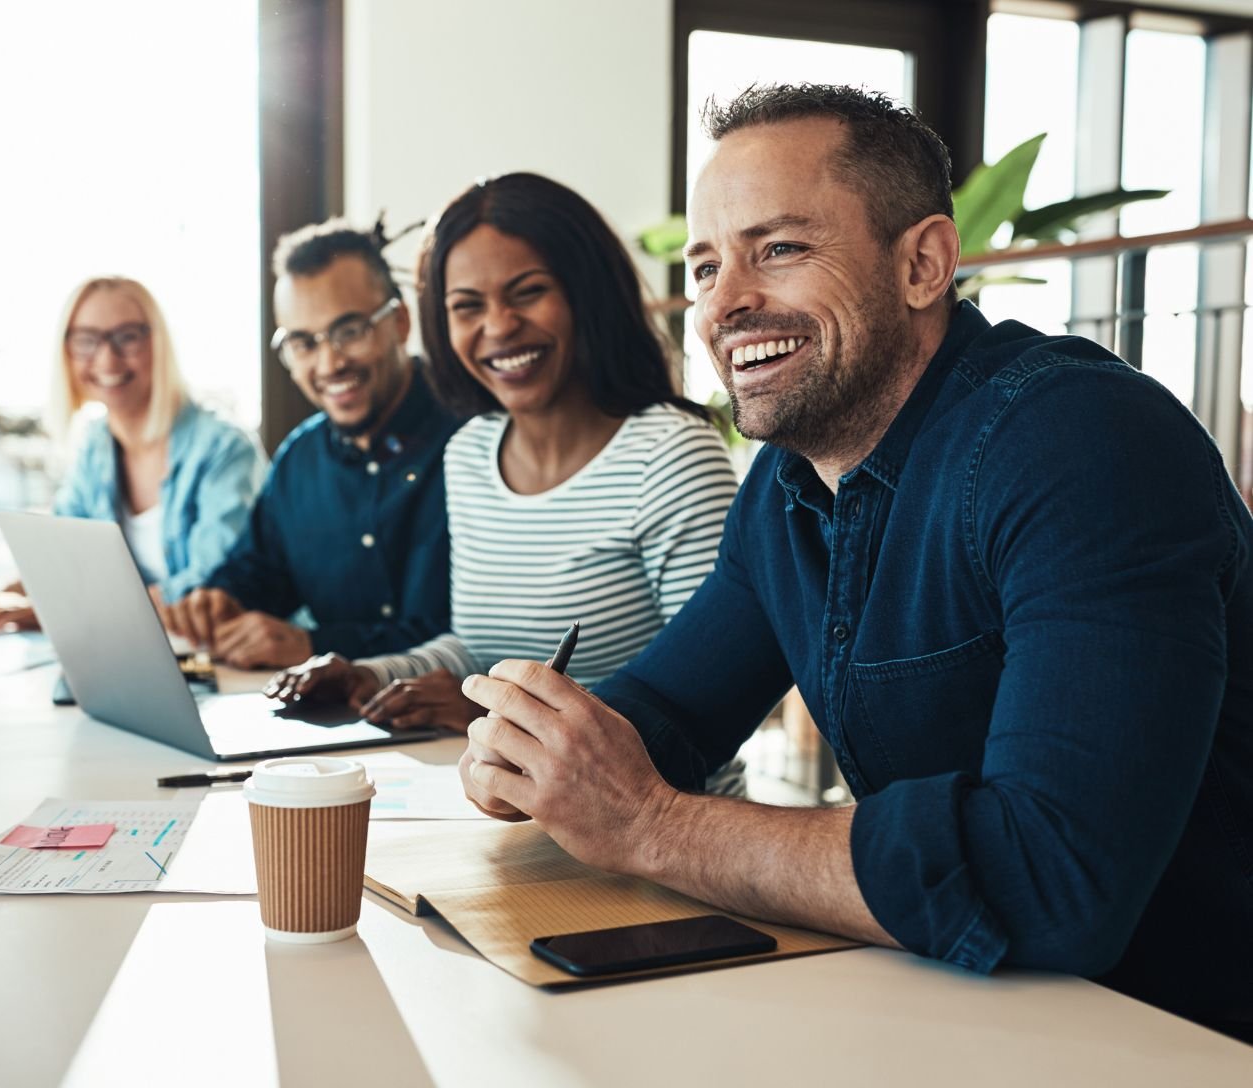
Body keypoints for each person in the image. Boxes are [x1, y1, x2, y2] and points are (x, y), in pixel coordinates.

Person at [456, 84, 1253, 1038]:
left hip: (1176, 1032)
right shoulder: (785, 486)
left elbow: (1053, 878)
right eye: (708, 267)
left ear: (923, 263)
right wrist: (542, 750)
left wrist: (651, 824)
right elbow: (667, 714)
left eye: (780, 249)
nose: (727, 303)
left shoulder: (1080, 442)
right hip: (958, 1012)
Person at [264, 173, 738, 734]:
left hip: (646, 816)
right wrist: (369, 675)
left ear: (585, 293)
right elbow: (475, 651)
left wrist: (496, 713)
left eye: (528, 292)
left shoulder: (670, 455)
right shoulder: (470, 452)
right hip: (494, 802)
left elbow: (713, 692)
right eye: (467, 306)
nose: (498, 327)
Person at [156, 219, 459, 668]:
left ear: (399, 322)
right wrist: (220, 600)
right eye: (303, 343)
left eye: (350, 331)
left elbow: (467, 638)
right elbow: (260, 571)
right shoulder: (300, 459)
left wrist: (313, 646)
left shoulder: (474, 441)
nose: (329, 363)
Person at [0, 276, 265, 631]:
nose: (106, 360)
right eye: (87, 340)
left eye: (127, 337)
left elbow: (212, 591)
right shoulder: (96, 445)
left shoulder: (224, 449)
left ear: (159, 343)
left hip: (224, 659)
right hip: (135, 653)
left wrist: (52, 613)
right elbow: (63, 564)